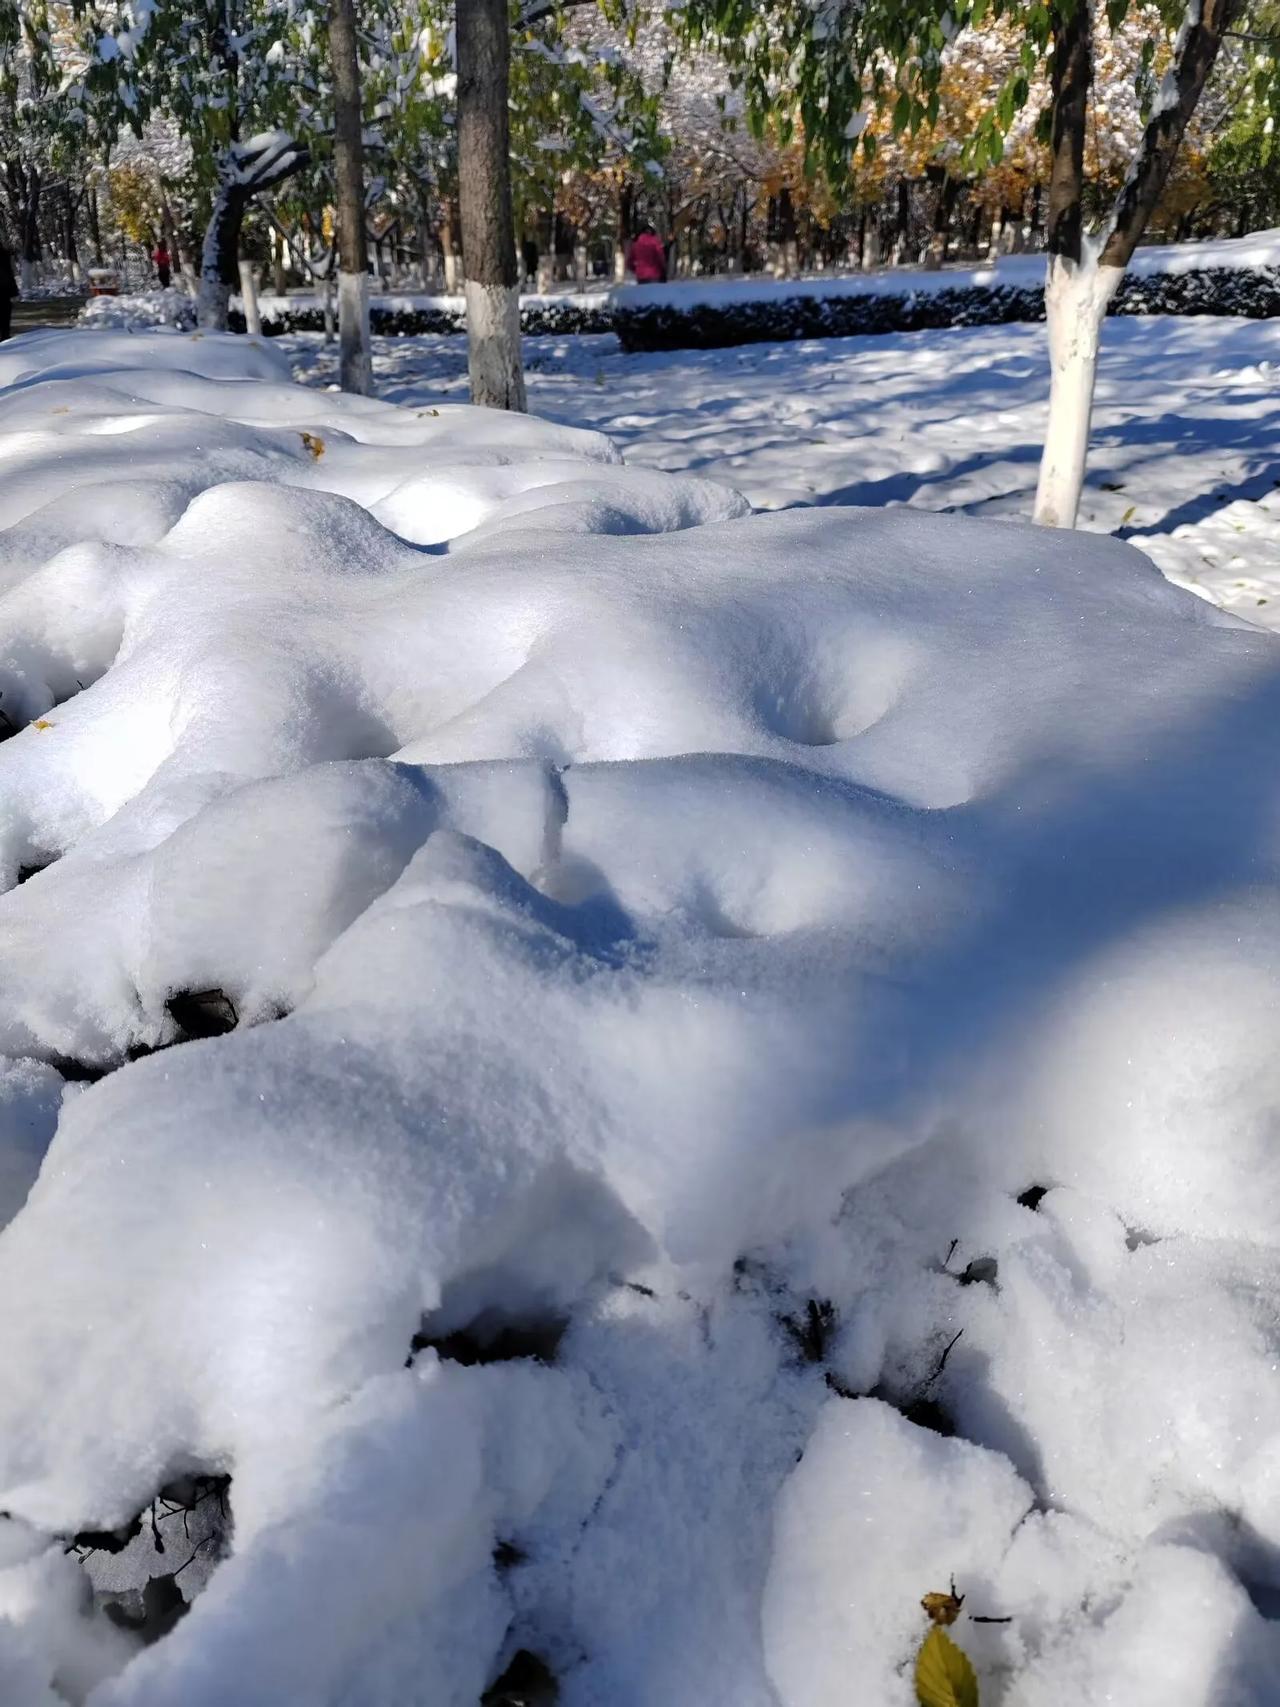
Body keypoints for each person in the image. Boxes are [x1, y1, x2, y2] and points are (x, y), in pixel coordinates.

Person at [0, 241, 16, 341]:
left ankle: (5, 336)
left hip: (4, 287)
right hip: (5, 288)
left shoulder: (4, 253)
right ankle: (5, 336)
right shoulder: (4, 253)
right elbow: (10, 271)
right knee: (5, 312)